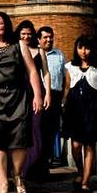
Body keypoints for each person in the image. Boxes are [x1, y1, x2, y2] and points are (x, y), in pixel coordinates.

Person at [0, 12, 43, 193]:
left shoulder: (19, 45)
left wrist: (38, 95)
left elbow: (32, 71)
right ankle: (3, 180)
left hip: (19, 97)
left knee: (20, 139)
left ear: (6, 25)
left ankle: (17, 175)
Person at [61, 35, 97, 193]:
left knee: (89, 145)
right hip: (74, 109)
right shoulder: (70, 67)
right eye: (80, 47)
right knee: (75, 145)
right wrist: (63, 104)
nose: (84, 51)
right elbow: (67, 88)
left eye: (87, 48)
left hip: (92, 109)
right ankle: (80, 171)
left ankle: (85, 182)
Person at [29, 25, 66, 181]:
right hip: (38, 98)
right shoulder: (35, 54)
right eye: (45, 37)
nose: (49, 40)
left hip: (55, 97)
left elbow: (65, 78)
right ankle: (33, 168)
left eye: (51, 37)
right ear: (38, 39)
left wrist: (63, 98)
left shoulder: (59, 55)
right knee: (38, 134)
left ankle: (45, 168)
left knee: (51, 133)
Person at [15, 21, 46, 181]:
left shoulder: (39, 51)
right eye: (23, 33)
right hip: (19, 93)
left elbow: (45, 73)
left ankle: (32, 165)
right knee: (20, 130)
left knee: (35, 130)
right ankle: (18, 169)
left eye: (28, 33)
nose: (26, 36)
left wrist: (45, 95)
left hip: (36, 93)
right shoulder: (15, 49)